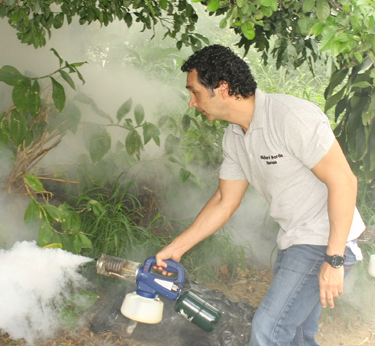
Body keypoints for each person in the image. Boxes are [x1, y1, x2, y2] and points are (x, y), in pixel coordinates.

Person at [153, 44, 365, 346]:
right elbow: (225, 201)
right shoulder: (235, 136)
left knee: (268, 331)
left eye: (195, 92)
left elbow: (344, 181)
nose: (191, 103)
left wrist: (334, 259)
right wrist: (176, 248)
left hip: (323, 240)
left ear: (222, 88)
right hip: (293, 241)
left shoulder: (290, 117)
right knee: (298, 337)